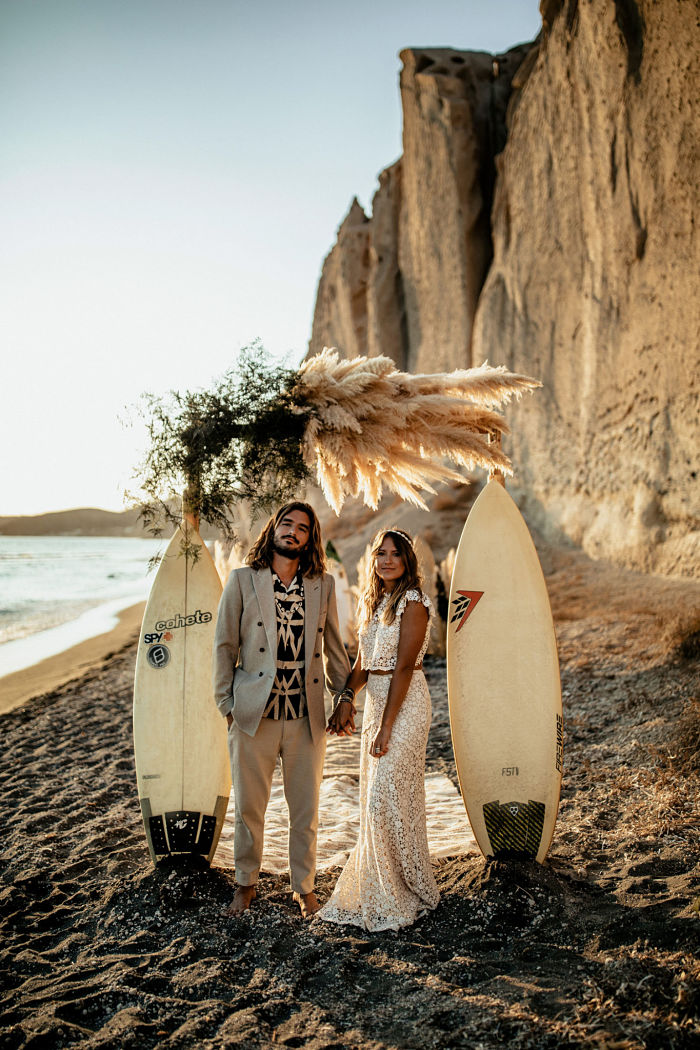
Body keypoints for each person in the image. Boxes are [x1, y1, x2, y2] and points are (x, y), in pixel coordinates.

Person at [213, 502, 351, 919]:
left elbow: (333, 649)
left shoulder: (321, 584)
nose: (293, 532)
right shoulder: (242, 580)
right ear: (273, 529)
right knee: (250, 808)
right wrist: (226, 704)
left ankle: (305, 890)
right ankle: (245, 884)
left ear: (310, 539)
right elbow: (224, 646)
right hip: (254, 714)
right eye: (286, 524)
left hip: (305, 715)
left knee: (305, 809)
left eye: (302, 528)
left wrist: (344, 697)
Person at [317, 527, 440, 931]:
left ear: (407, 561)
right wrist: (345, 697)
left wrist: (386, 728)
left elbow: (403, 667)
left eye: (396, 554)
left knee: (384, 793)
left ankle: (402, 887)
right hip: (375, 703)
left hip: (406, 704)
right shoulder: (375, 602)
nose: (387, 560)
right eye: (380, 553)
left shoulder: (414, 601)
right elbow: (363, 665)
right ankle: (392, 881)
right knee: (383, 795)